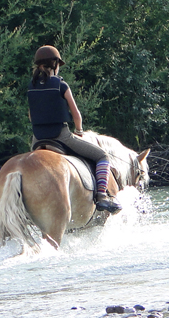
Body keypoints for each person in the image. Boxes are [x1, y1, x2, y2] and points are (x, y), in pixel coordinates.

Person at [27, 45, 122, 213]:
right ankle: (102, 196)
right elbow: (77, 115)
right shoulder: (61, 85)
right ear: (55, 64)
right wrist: (79, 131)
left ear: (38, 65)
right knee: (102, 156)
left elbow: (30, 116)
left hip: (37, 140)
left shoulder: (31, 86)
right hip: (61, 137)